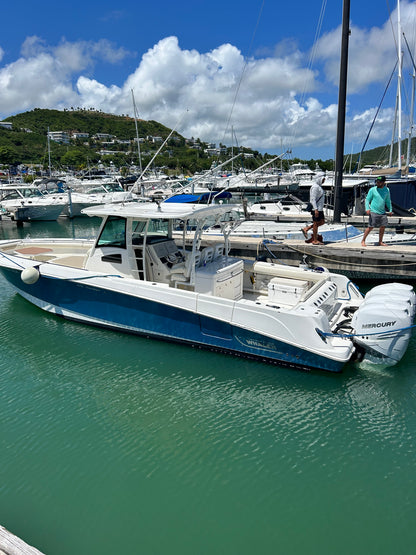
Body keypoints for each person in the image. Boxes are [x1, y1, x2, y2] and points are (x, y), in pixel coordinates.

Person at [361, 175, 392, 247]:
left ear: (383, 182)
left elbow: (388, 200)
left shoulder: (387, 190)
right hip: (373, 211)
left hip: (382, 212)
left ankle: (380, 241)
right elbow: (367, 199)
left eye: (379, 182)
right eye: (377, 182)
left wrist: (390, 210)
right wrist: (367, 208)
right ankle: (363, 240)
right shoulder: (372, 189)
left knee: (383, 226)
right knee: (371, 227)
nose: (378, 183)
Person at [302, 174, 326, 244]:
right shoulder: (315, 187)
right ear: (319, 179)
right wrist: (315, 209)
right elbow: (313, 199)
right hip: (316, 208)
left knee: (322, 222)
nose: (324, 181)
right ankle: (315, 240)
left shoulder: (319, 186)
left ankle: (307, 228)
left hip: (320, 208)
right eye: (323, 179)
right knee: (315, 224)